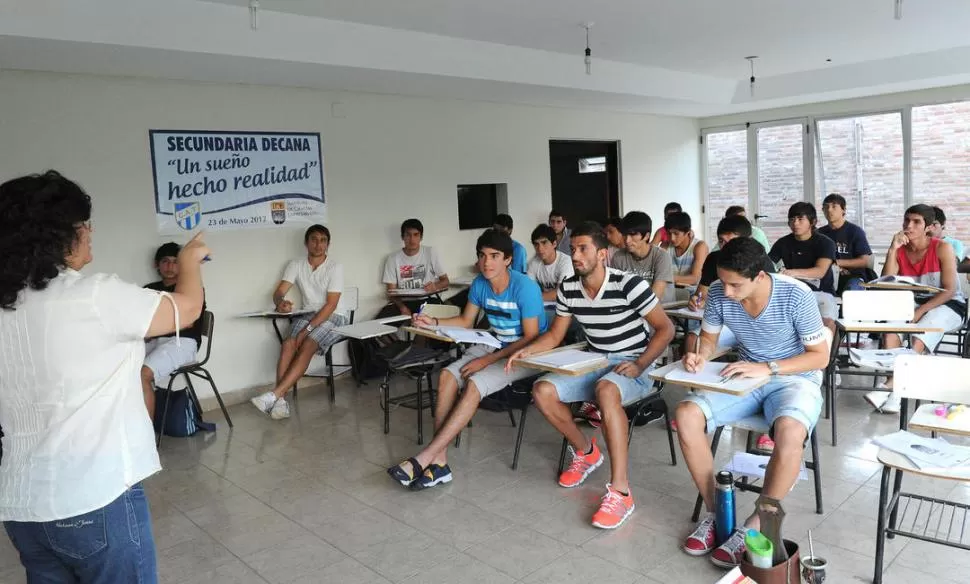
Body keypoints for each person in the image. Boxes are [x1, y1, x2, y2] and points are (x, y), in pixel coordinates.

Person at [0, 170, 209, 583]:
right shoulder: (92, 296)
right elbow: (187, 309)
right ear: (60, 235)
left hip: (21, 505)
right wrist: (189, 262)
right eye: (84, 225)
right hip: (94, 498)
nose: (90, 233)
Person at [508, 222, 675, 529]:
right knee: (542, 389)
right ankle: (586, 452)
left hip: (637, 362)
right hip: (596, 360)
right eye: (572, 249)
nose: (575, 255)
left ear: (602, 254)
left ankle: (621, 491)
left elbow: (667, 329)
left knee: (607, 390)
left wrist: (639, 364)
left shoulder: (629, 284)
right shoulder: (568, 288)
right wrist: (527, 351)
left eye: (583, 249)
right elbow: (556, 334)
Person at [678, 237, 828, 569]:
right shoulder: (719, 292)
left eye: (735, 284)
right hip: (746, 376)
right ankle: (718, 516)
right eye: (723, 281)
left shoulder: (796, 295)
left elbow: (820, 357)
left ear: (760, 275)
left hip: (794, 378)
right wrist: (699, 357)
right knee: (686, 414)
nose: (726, 291)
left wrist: (768, 368)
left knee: (790, 432)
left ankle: (754, 526)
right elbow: (709, 340)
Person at [386, 229, 548, 489]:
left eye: (495, 256)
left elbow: (529, 337)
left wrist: (486, 361)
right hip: (494, 344)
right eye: (483, 256)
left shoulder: (524, 286)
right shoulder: (480, 284)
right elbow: (465, 321)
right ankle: (439, 462)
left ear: (508, 259)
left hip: (525, 354)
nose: (487, 263)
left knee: (474, 384)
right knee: (448, 376)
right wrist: (433, 322)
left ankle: (427, 458)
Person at [864, 204, 965, 415]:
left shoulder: (942, 248)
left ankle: (891, 388)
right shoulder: (900, 250)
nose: (909, 225)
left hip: (948, 304)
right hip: (913, 304)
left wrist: (920, 312)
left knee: (922, 330)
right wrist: (892, 249)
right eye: (906, 220)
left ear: (928, 227)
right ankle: (895, 393)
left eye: (916, 221)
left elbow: (949, 290)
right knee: (891, 328)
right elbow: (886, 282)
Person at [250, 225, 350, 420]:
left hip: (334, 316)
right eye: (314, 239)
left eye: (323, 240)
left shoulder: (335, 267)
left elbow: (331, 305)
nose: (318, 244)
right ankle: (279, 401)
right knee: (288, 344)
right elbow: (278, 293)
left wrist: (307, 329)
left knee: (307, 345)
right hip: (308, 313)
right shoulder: (296, 264)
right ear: (306, 243)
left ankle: (275, 395)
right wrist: (281, 304)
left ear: (328, 244)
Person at [685, 215, 775, 354]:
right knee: (693, 340)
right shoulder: (714, 258)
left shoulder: (760, 261)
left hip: (758, 324)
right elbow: (702, 293)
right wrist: (698, 300)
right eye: (721, 241)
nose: (726, 246)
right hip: (727, 322)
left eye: (732, 240)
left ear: (747, 240)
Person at [141, 242, 207, 419]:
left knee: (143, 374)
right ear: (157, 264)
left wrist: (153, 328)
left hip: (184, 342)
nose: (170, 267)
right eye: (165, 261)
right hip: (155, 340)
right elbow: (141, 321)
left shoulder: (191, 290)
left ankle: (147, 437)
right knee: (123, 365)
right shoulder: (149, 290)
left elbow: (187, 324)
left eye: (175, 261)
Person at [768, 202, 838, 336]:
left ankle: (826, 355)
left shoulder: (825, 243)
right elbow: (768, 264)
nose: (795, 223)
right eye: (792, 220)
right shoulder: (783, 243)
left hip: (821, 293)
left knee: (827, 321)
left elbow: (820, 271)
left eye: (800, 219)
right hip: (791, 293)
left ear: (813, 222)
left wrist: (791, 273)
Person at [380, 218, 450, 317]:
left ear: (421, 237)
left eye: (416, 235)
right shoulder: (392, 258)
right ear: (402, 237)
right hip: (403, 302)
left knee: (424, 326)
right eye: (408, 235)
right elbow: (391, 292)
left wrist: (435, 286)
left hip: (427, 300)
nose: (412, 239)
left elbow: (446, 281)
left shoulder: (430, 252)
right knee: (380, 324)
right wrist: (402, 308)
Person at [611, 211, 675, 302]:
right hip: (631, 310)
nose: (627, 240)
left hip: (661, 311)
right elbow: (616, 291)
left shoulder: (661, 256)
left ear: (646, 236)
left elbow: (654, 298)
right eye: (625, 234)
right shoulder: (618, 257)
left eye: (633, 235)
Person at [817, 193, 874, 294]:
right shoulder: (819, 234)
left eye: (834, 206)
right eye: (826, 207)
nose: (829, 210)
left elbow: (864, 261)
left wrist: (837, 263)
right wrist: (834, 269)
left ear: (843, 210)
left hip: (854, 277)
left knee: (852, 292)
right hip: (827, 277)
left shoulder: (855, 231)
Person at [526, 223, 574, 303]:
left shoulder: (566, 261)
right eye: (536, 244)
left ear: (554, 244)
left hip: (566, 305)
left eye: (544, 243)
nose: (540, 248)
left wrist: (533, 297)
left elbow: (561, 293)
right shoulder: (533, 263)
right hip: (544, 305)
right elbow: (528, 289)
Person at [666, 212, 709, 296]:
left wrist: (666, 278)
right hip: (672, 295)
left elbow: (695, 278)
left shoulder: (699, 246)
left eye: (676, 233)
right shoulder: (665, 247)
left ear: (687, 232)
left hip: (694, 296)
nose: (672, 238)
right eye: (669, 233)